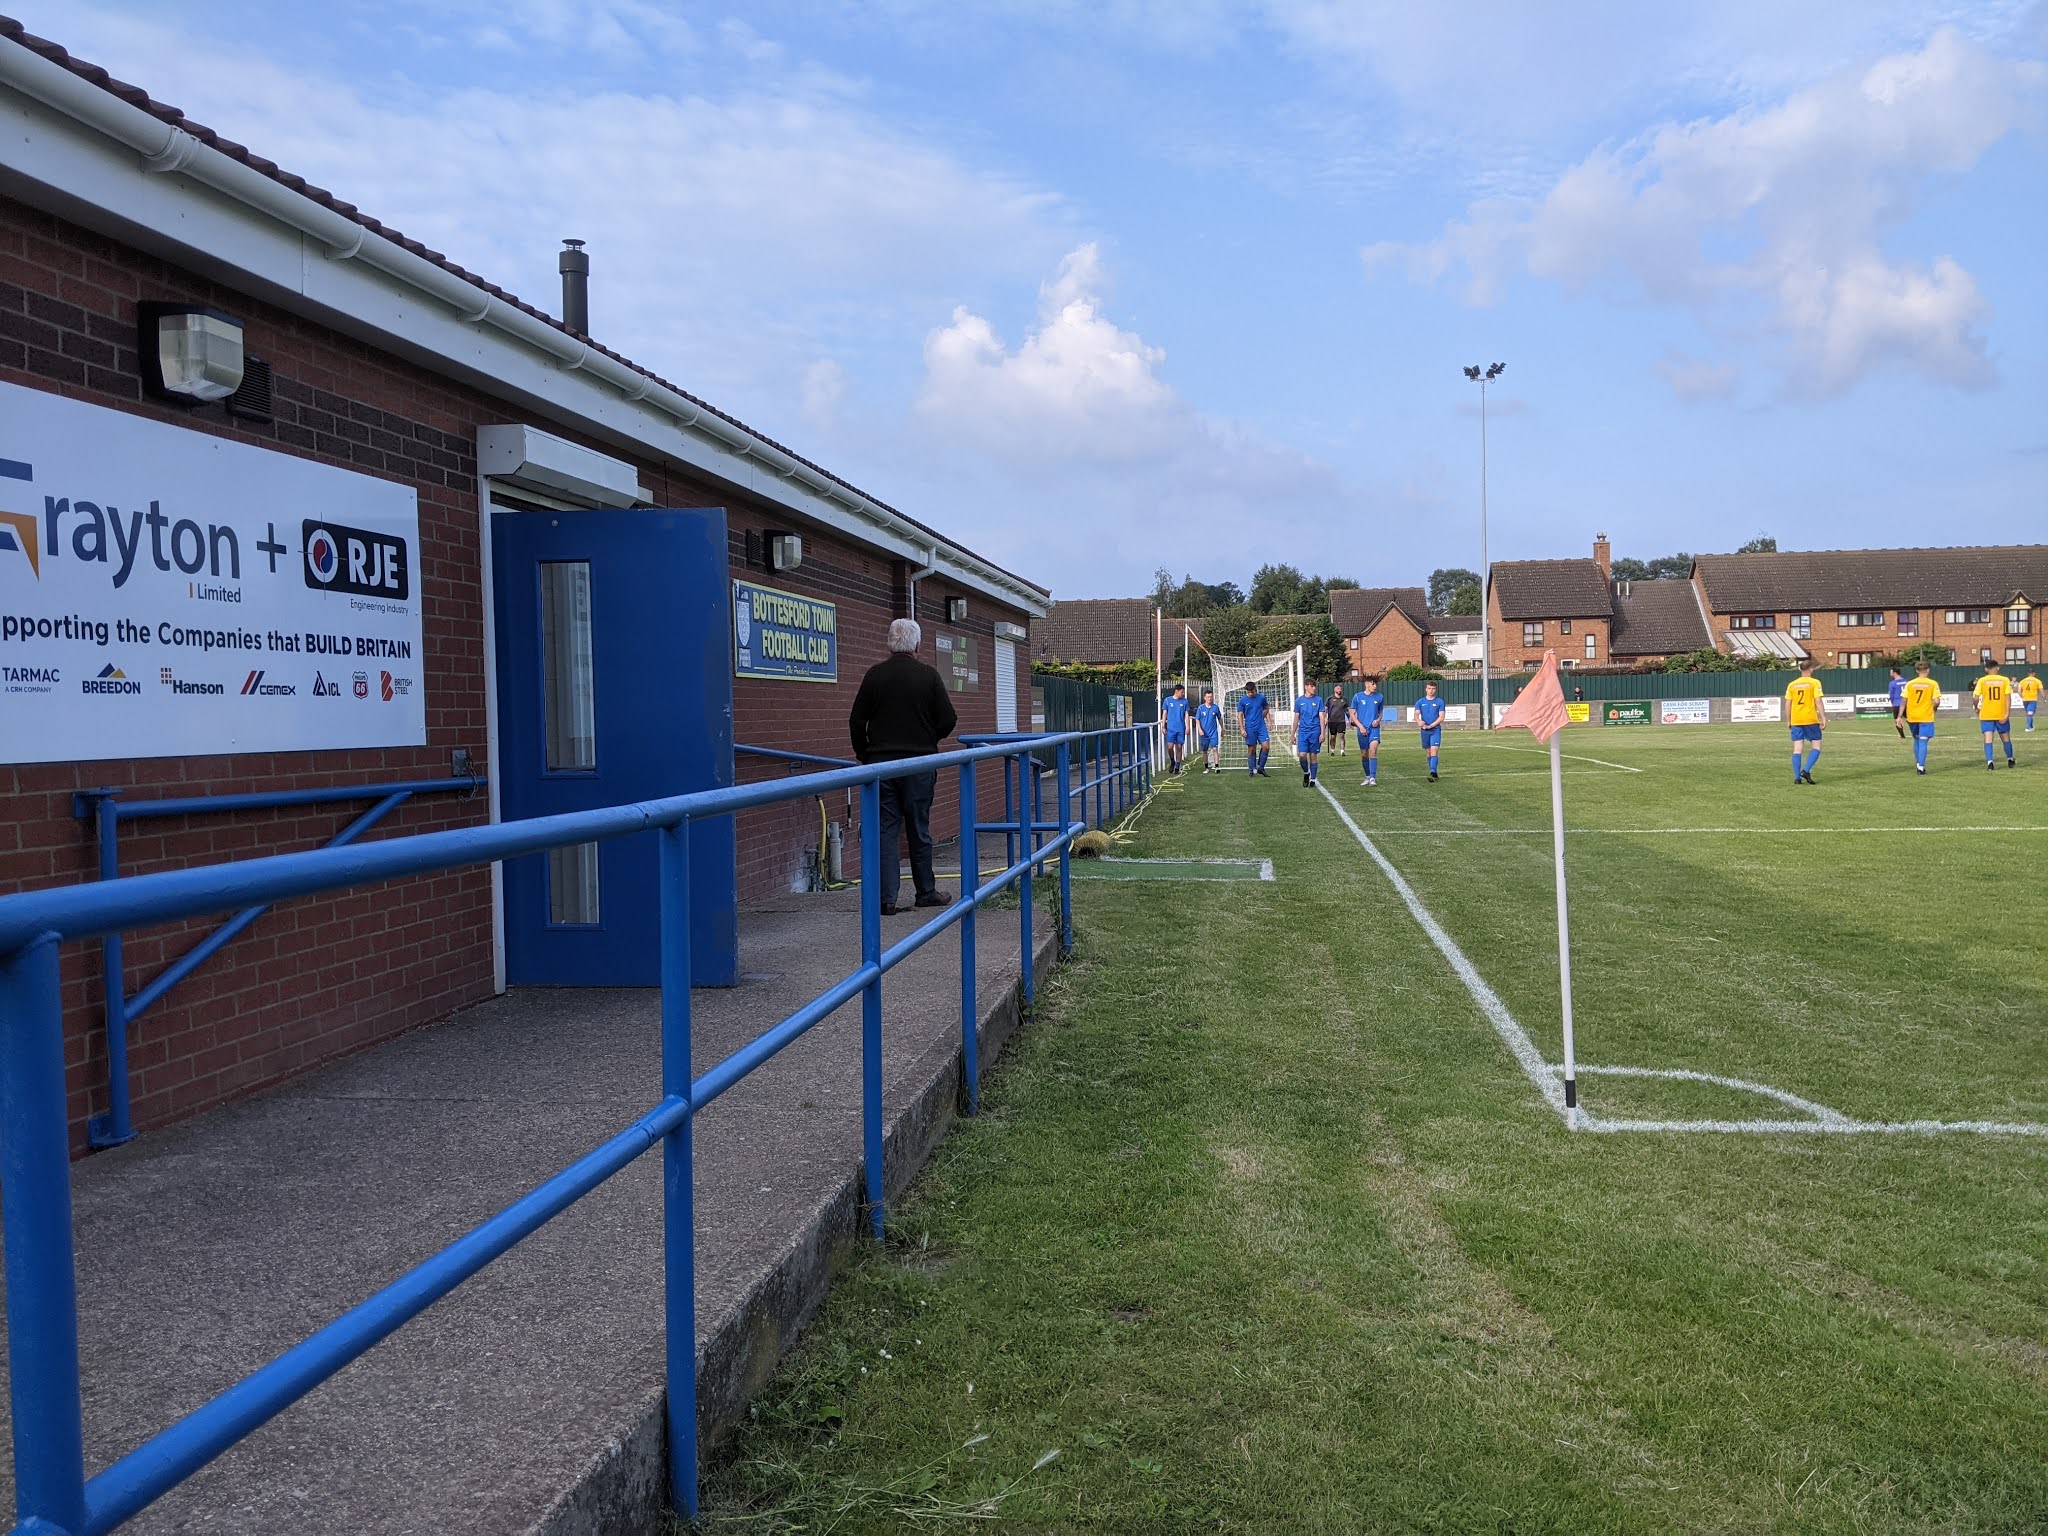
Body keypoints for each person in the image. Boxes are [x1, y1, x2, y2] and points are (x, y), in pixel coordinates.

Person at [848, 618, 958, 915]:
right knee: (918, 828)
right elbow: (948, 719)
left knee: (885, 829)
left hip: (881, 766)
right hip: (920, 764)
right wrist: (928, 739)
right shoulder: (928, 676)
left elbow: (856, 720)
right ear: (918, 645)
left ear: (890, 643)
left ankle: (887, 898)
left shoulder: (874, 676)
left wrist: (865, 754)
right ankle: (926, 891)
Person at [1785, 658, 1824, 785]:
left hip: (1796, 719)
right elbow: (1818, 701)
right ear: (1811, 669)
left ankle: (1797, 778)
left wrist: (1788, 720)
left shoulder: (1792, 684)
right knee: (1816, 746)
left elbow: (1787, 703)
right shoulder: (1815, 683)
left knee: (1797, 748)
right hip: (1810, 718)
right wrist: (1823, 717)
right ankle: (1806, 770)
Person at [1973, 659, 2017, 770]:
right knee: (2005, 738)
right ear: (1998, 668)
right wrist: (2007, 713)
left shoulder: (1982, 681)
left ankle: (1990, 763)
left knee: (1988, 738)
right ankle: (2010, 759)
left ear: (1986, 669)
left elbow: (1976, 697)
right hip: (2001, 713)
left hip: (1987, 713)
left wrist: (1977, 707)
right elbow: (2008, 698)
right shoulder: (2004, 680)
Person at [1902, 660, 1941, 775]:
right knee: (1923, 740)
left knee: (1916, 739)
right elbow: (1937, 701)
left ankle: (1918, 764)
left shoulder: (1910, 683)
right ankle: (1921, 767)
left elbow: (1904, 700)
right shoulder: (1932, 683)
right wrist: (1934, 707)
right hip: (1926, 716)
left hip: (1912, 716)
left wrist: (1899, 716)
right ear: (1928, 670)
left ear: (1916, 671)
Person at [1350, 676, 1386, 786]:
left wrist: (1378, 720)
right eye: (1373, 684)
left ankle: (1373, 778)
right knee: (1364, 754)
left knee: (1373, 751)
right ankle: (1367, 776)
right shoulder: (1357, 697)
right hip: (1362, 729)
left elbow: (1380, 713)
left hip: (1374, 729)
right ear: (1367, 685)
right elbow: (1352, 713)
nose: (1375, 686)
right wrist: (1360, 726)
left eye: (1376, 684)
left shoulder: (1379, 697)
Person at [1294, 680, 1326, 787]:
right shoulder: (1299, 701)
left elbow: (1322, 717)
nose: (1314, 688)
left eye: (1314, 686)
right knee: (1302, 755)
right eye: (1311, 686)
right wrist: (1292, 733)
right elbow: (1296, 717)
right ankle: (1306, 773)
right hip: (1303, 732)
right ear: (1306, 686)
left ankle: (1312, 779)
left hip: (1315, 731)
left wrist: (1322, 733)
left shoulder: (1319, 700)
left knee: (1313, 756)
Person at [1414, 680, 1446, 782]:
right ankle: (1434, 772)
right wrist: (1419, 721)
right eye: (1429, 688)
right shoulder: (1420, 702)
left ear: (1435, 690)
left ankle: (1432, 772)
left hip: (1435, 730)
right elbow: (1416, 714)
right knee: (1428, 753)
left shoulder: (1439, 702)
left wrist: (1431, 726)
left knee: (1434, 751)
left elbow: (1441, 717)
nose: (1431, 691)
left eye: (1433, 689)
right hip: (1424, 731)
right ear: (1426, 689)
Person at [1238, 684, 1272, 776]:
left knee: (1266, 746)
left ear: (1255, 690)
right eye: (1248, 692)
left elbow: (1266, 708)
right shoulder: (1243, 700)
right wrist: (1242, 729)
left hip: (1261, 726)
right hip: (1250, 727)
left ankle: (1261, 767)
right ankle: (1251, 770)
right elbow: (1240, 715)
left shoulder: (1261, 697)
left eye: (1252, 692)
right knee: (1251, 749)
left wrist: (1265, 718)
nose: (1250, 694)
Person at [1161, 683, 1190, 775]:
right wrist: (1163, 726)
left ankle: (1177, 766)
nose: (1183, 694)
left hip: (1181, 728)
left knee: (1179, 747)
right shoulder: (1167, 700)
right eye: (1182, 692)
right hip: (1171, 728)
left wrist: (1188, 726)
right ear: (1176, 691)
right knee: (1170, 747)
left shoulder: (1184, 701)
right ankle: (1172, 761)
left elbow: (1186, 714)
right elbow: (1164, 713)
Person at [1195, 689, 1222, 771]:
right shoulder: (1201, 708)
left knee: (1215, 748)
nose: (1209, 698)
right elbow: (1197, 719)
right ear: (1205, 698)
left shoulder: (1215, 708)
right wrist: (1200, 729)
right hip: (1204, 733)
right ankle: (1206, 767)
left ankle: (1217, 766)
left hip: (1213, 732)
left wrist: (1222, 728)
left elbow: (1220, 718)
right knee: (1204, 750)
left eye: (1211, 697)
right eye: (1208, 697)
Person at [1326, 685, 1348, 757]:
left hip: (1341, 721)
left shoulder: (1344, 699)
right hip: (1332, 721)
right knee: (1333, 737)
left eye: (1341, 689)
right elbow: (1326, 709)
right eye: (1338, 688)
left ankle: (1342, 751)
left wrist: (1350, 718)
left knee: (1341, 735)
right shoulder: (1329, 699)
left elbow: (1346, 710)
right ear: (1334, 689)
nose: (1339, 690)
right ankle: (1332, 750)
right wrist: (1325, 718)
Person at [1887, 666, 1907, 740]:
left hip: (1897, 703)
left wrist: (1892, 702)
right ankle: (1916, 732)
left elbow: (1891, 694)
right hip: (1906, 703)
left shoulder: (1892, 683)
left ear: (1894, 673)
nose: (1890, 674)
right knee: (1910, 719)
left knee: (1897, 719)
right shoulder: (1906, 681)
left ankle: (1902, 735)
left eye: (1891, 673)